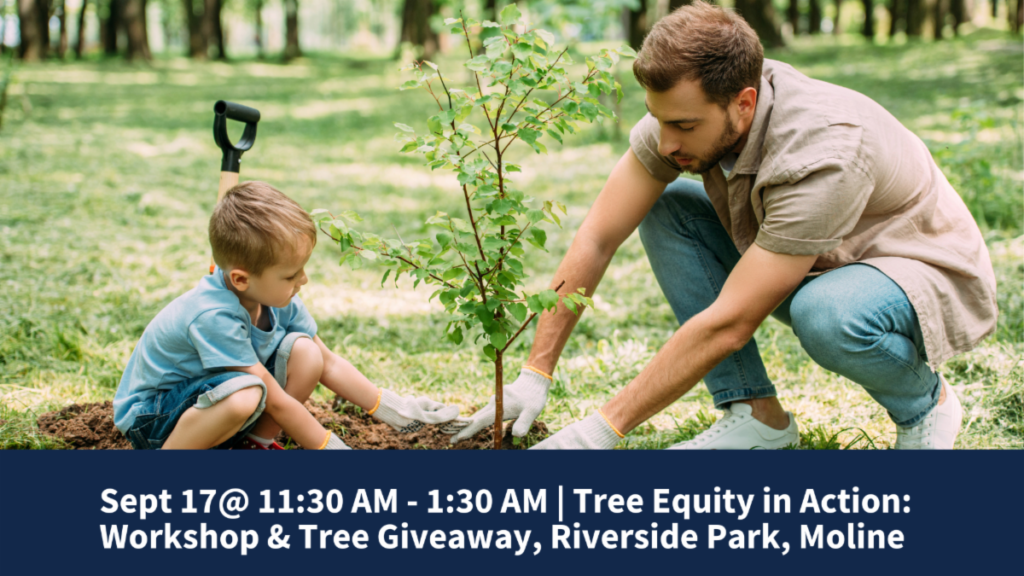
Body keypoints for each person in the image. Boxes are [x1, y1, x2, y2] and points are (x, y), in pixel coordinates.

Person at [451, 2, 997, 450]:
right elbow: (598, 235)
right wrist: (534, 375)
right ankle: (756, 415)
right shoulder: (683, 115)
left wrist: (598, 433)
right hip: (817, 257)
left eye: (684, 126)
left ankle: (926, 406)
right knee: (668, 206)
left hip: (913, 267)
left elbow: (730, 322)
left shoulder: (823, 152)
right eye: (660, 119)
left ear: (744, 102)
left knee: (826, 313)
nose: (665, 143)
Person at [113, 181, 464, 450]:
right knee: (247, 393)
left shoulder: (275, 296)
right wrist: (330, 448)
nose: (303, 280)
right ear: (240, 279)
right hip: (155, 417)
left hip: (208, 401)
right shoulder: (212, 315)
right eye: (291, 275)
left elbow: (328, 363)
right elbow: (276, 401)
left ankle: (255, 446)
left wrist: (393, 409)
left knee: (305, 353)